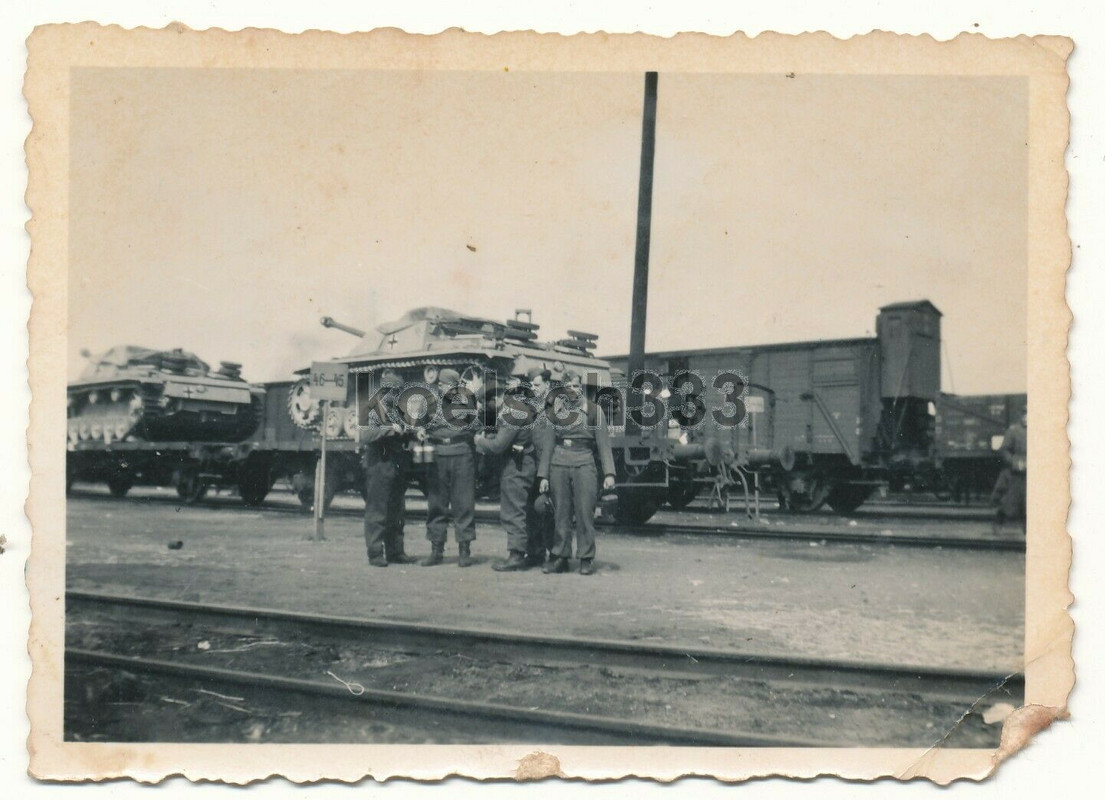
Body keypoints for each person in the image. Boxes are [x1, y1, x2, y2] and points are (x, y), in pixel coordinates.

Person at [537, 370, 617, 575]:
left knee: (584, 512)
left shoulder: (593, 410)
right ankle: (560, 557)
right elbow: (548, 444)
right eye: (568, 386)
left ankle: (586, 558)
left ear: (581, 387)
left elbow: (603, 444)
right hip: (559, 462)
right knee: (561, 513)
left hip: (584, 461)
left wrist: (609, 474)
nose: (573, 390)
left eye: (576, 386)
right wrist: (543, 476)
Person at [476, 367, 553, 571]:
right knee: (529, 511)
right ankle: (536, 552)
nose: (489, 407)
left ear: (497, 397)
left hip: (515, 466)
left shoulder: (512, 412)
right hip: (526, 464)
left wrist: (480, 441)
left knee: (513, 511)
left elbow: (499, 445)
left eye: (488, 402)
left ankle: (516, 554)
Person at [421, 368, 479, 567]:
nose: (442, 387)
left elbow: (475, 425)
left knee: (463, 504)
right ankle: (436, 549)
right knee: (437, 504)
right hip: (438, 454)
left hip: (461, 453)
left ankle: (464, 549)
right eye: (440, 384)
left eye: (446, 384)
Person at [361, 369, 417, 567]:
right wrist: (388, 429)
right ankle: (375, 553)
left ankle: (395, 551)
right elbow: (365, 436)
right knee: (378, 510)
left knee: (397, 510)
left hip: (397, 463)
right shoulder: (372, 407)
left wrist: (413, 432)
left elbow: (406, 431)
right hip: (379, 463)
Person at [993, 408, 1027, 535]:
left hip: (1033, 473)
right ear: (1021, 416)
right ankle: (998, 524)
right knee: (1009, 502)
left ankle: (1028, 531)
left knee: (1029, 504)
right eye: (1024, 414)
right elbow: (1004, 450)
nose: (1027, 417)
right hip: (1016, 473)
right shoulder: (1013, 431)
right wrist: (1013, 461)